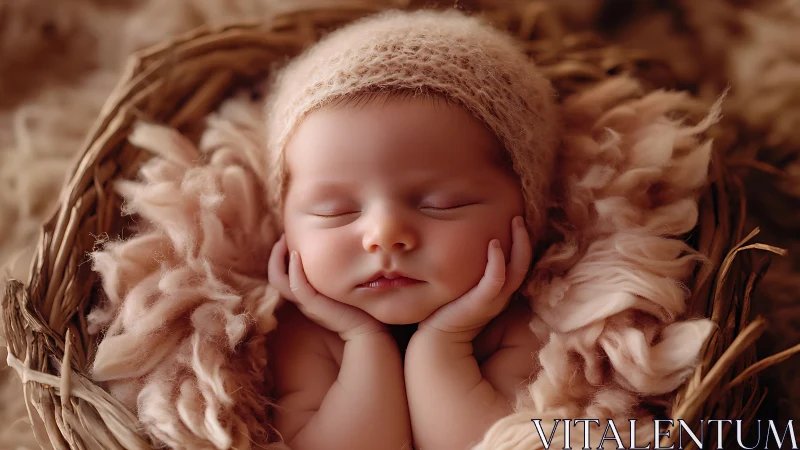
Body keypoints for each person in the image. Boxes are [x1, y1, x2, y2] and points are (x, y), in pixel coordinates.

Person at [263, 8, 560, 450]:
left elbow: (496, 444)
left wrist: (444, 344)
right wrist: (362, 341)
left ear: (529, 210)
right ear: (284, 223)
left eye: (443, 204)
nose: (384, 235)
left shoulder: (531, 323)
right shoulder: (297, 332)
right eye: (335, 210)